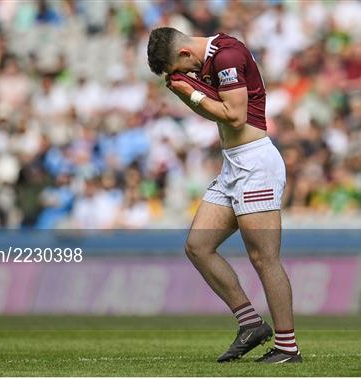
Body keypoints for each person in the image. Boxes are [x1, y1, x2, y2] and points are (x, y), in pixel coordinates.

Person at [147, 27, 302, 364]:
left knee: (264, 258)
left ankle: (288, 348)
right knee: (198, 246)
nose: (184, 74)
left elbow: (235, 116)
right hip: (233, 165)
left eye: (179, 67)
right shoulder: (207, 63)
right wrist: (187, 93)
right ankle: (251, 324)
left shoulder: (227, 55)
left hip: (256, 163)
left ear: (185, 53)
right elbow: (215, 114)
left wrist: (191, 91)